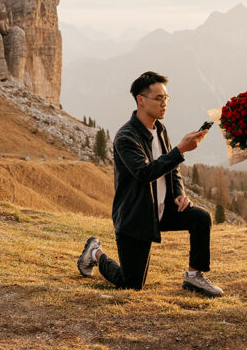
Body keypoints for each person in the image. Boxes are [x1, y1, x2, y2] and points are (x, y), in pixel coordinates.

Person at [77, 71, 223, 297]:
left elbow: (171, 168)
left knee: (201, 218)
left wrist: (179, 193)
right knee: (131, 284)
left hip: (163, 210)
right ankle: (95, 252)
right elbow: (144, 173)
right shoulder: (126, 137)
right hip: (136, 217)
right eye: (158, 98)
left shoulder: (160, 129)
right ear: (140, 100)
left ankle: (194, 277)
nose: (164, 103)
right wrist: (181, 150)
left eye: (166, 98)